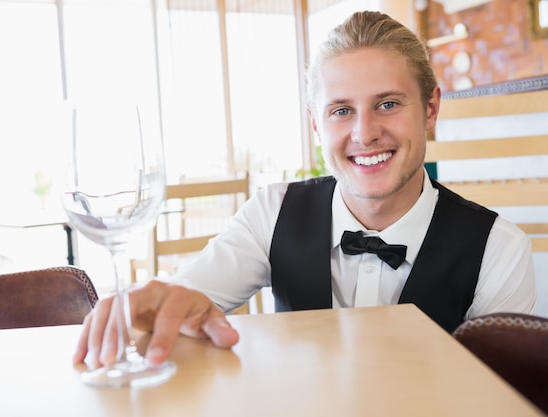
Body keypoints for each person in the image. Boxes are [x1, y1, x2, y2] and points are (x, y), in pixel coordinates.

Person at [74, 10, 537, 368]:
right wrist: (162, 303)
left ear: (431, 109)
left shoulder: (499, 249)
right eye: (340, 111)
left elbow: (500, 396)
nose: (365, 132)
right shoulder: (271, 213)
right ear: (315, 123)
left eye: (388, 104)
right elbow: (186, 302)